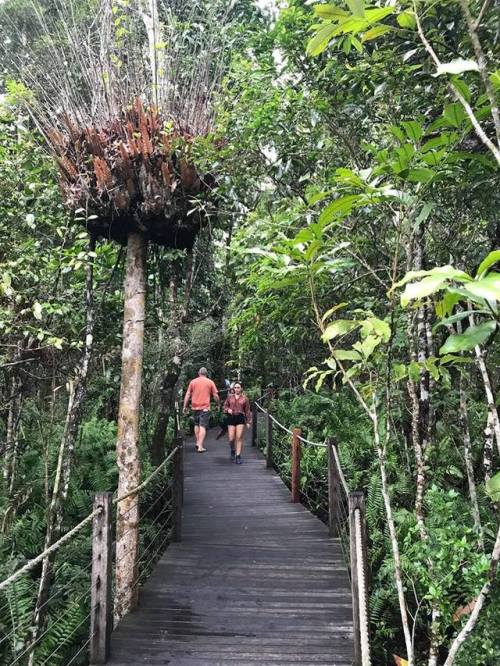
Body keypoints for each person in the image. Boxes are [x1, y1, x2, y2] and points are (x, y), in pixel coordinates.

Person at [183, 367, 220, 452]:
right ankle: (200, 446)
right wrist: (218, 404)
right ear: (206, 374)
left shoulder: (193, 382)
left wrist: (184, 406)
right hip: (205, 407)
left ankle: (198, 442)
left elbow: (188, 394)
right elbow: (215, 396)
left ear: (198, 373)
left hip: (194, 407)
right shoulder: (210, 382)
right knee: (202, 426)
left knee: (196, 424)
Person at [223, 381, 251, 464]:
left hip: (240, 418)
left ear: (241, 388)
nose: (236, 389)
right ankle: (232, 450)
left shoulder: (245, 398)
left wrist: (249, 421)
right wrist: (228, 410)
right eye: (235, 387)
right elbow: (224, 406)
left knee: (239, 437)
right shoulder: (229, 397)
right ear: (233, 388)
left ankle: (238, 456)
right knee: (231, 438)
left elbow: (247, 410)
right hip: (231, 418)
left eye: (238, 387)